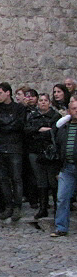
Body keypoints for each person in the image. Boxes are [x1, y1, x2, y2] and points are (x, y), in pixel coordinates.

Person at [0, 82, 27, 222]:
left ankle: (17, 206)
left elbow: (19, 125)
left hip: (14, 147)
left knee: (16, 178)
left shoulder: (19, 108)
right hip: (0, 147)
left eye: (0, 93)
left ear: (8, 93)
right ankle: (8, 205)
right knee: (3, 179)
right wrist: (9, 123)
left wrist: (4, 124)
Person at [25, 93, 61, 219]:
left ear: (49, 102)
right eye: (41, 100)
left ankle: (57, 207)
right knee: (40, 180)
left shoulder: (55, 116)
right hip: (35, 150)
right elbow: (27, 130)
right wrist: (39, 129)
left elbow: (55, 132)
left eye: (45, 100)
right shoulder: (32, 115)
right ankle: (43, 208)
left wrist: (39, 132)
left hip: (50, 152)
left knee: (52, 180)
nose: (43, 102)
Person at [51, 100, 77, 237]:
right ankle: (61, 227)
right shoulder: (63, 128)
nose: (76, 111)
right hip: (67, 168)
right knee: (62, 198)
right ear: (69, 111)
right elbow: (58, 147)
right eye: (74, 108)